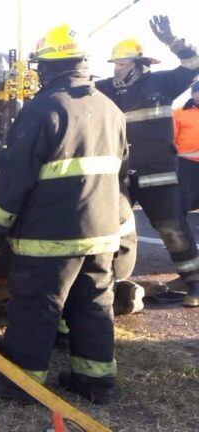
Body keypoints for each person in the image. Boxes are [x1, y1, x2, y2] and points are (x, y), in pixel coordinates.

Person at [0, 25, 127, 405]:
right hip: (102, 234)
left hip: (50, 236)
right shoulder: (111, 109)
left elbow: (16, 177)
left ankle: (20, 386)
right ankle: (94, 383)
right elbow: (120, 168)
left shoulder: (44, 108)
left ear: (49, 67)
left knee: (37, 308)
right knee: (93, 305)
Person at [96, 16, 199, 308]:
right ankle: (111, 286)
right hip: (121, 175)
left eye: (122, 63)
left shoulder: (162, 82)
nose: (116, 69)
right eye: (115, 64)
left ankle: (194, 282)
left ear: (140, 64)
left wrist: (175, 42)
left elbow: (194, 67)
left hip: (158, 174)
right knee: (115, 229)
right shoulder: (106, 89)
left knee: (171, 226)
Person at [174, 81, 199, 213]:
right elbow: (171, 140)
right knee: (184, 200)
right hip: (186, 164)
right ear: (193, 93)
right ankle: (178, 229)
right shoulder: (179, 113)